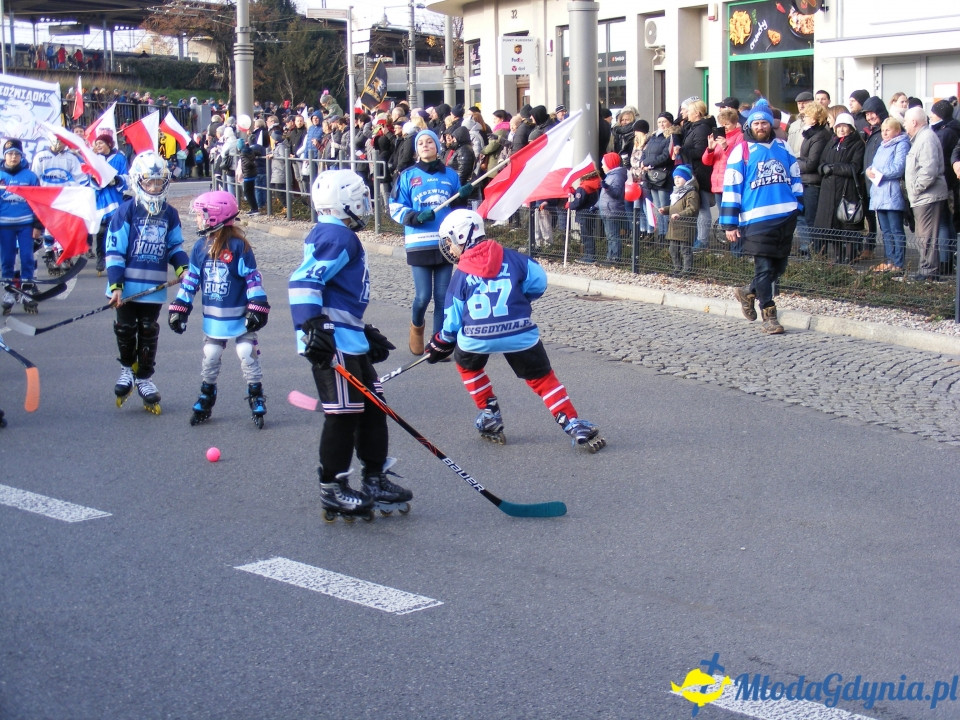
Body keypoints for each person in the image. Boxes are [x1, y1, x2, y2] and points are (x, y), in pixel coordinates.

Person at [426, 208, 605, 452]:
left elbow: (452, 319)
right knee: (543, 380)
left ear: (461, 237)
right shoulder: (515, 258)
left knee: (468, 365)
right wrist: (521, 299)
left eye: (449, 241)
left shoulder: (462, 275)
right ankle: (573, 423)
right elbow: (539, 281)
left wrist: (441, 342)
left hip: (476, 338)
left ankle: (490, 413)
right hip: (519, 333)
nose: (449, 248)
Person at [289, 169, 410, 521]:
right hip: (332, 339)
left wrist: (362, 329)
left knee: (372, 407)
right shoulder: (337, 236)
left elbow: (334, 289)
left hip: (347, 334)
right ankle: (333, 487)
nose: (366, 203)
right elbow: (302, 282)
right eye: (360, 197)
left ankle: (374, 478)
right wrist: (313, 328)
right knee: (343, 413)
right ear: (346, 202)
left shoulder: (338, 234)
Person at [168, 191, 270, 428]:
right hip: (215, 317)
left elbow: (252, 279)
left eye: (201, 215)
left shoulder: (239, 247)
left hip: (239, 314)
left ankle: (256, 392)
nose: (197, 219)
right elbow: (191, 280)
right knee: (211, 355)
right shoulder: (199, 248)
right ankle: (207, 394)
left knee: (246, 351)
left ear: (215, 218)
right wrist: (180, 306)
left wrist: (257, 305)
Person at [105, 151, 188, 414]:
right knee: (126, 329)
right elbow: (115, 250)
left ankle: (145, 377)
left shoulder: (170, 213)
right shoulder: (126, 211)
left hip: (153, 287)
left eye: (158, 181)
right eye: (148, 182)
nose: (154, 187)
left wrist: (183, 268)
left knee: (149, 330)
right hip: (127, 287)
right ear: (137, 181)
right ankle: (126, 369)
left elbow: (175, 246)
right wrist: (116, 285)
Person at [720, 100, 803, 334]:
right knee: (764, 268)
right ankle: (769, 315)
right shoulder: (742, 151)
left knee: (779, 266)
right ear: (750, 125)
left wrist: (799, 205)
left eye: (764, 123)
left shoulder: (783, 148)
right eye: (756, 122)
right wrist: (729, 222)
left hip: (785, 216)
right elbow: (732, 186)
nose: (760, 126)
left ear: (770, 125)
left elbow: (795, 177)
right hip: (756, 220)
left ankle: (747, 291)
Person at [389, 128, 471, 354]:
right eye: (421, 143)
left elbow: (458, 211)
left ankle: (438, 344)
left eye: (430, 142)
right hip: (418, 243)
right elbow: (395, 207)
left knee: (443, 298)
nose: (425, 145)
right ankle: (416, 327)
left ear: (437, 146)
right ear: (416, 149)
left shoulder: (451, 175)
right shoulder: (406, 176)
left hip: (445, 244)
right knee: (423, 296)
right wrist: (415, 217)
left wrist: (463, 197)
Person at [30, 135, 87, 276]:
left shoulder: (71, 158)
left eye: (62, 141)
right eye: (56, 140)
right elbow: (34, 178)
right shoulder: (41, 157)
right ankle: (49, 254)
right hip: (46, 199)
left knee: (63, 228)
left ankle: (63, 253)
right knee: (49, 228)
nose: (58, 144)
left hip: (64, 198)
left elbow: (80, 178)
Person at [903, 106, 949, 281]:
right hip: (923, 196)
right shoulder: (921, 138)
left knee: (927, 235)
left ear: (914, 122)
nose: (904, 125)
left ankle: (928, 271)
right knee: (924, 235)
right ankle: (927, 269)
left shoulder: (926, 138)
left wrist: (915, 189)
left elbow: (928, 170)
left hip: (927, 196)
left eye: (906, 121)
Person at [814, 112, 866, 264]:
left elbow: (854, 167)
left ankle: (849, 257)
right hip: (828, 192)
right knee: (831, 227)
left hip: (846, 190)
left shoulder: (857, 144)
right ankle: (838, 255)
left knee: (847, 226)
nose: (841, 130)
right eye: (839, 126)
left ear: (851, 128)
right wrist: (823, 168)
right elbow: (821, 162)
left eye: (845, 127)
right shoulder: (832, 142)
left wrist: (833, 168)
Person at [0, 139, 41, 315]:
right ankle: (9, 292)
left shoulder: (30, 176)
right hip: (4, 225)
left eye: (17, 154)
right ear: (4, 156)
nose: (13, 157)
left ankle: (27, 291)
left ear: (22, 156)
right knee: (7, 260)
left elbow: (39, 202)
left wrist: (38, 225)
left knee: (27, 258)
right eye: (10, 154)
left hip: (26, 224)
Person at [866, 117, 910, 272]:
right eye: (883, 130)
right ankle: (889, 260)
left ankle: (898, 263)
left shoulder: (901, 144)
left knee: (896, 230)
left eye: (888, 130)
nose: (884, 133)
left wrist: (879, 173)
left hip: (892, 193)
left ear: (897, 131)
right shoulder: (882, 145)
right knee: (885, 231)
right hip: (879, 193)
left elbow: (898, 168)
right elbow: (875, 164)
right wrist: (869, 170)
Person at [794, 102, 833, 256]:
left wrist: (795, 163)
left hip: (812, 183)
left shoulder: (820, 136)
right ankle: (806, 248)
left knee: (811, 219)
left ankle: (815, 252)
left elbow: (811, 163)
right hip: (805, 181)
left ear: (815, 119)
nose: (804, 119)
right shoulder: (810, 134)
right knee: (801, 217)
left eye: (807, 116)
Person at [92, 133, 129, 273]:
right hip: (100, 198)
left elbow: (126, 176)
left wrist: (116, 180)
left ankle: (114, 257)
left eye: (101, 143)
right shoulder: (95, 159)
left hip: (114, 198)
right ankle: (100, 256)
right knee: (101, 230)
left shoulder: (119, 158)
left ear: (109, 144)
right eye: (97, 144)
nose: (98, 146)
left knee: (113, 229)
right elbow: (89, 176)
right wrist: (96, 181)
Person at [660, 164, 699, 275]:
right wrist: (666, 210)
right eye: (675, 178)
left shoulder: (691, 193)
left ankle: (687, 270)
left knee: (685, 250)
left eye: (679, 177)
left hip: (685, 227)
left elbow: (692, 208)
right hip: (674, 227)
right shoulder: (676, 192)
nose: (676, 180)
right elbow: (674, 207)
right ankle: (677, 268)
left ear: (686, 178)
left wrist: (680, 214)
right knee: (672, 249)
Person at [598, 151, 627, 263]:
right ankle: (610, 256)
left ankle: (615, 257)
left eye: (603, 164)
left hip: (612, 210)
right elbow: (604, 196)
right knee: (610, 236)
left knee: (613, 235)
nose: (602, 166)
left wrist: (607, 188)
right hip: (607, 210)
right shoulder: (610, 176)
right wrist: (597, 205)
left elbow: (616, 193)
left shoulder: (617, 177)